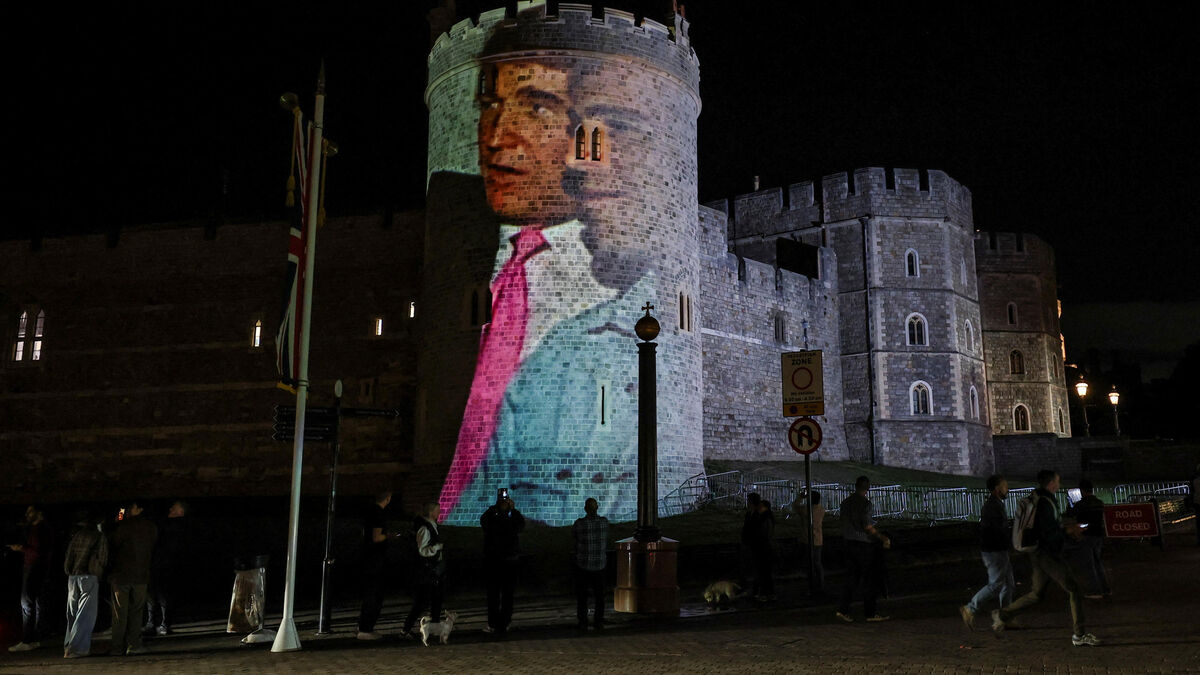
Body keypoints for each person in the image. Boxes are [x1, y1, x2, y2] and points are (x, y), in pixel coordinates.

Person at [993, 470, 1101, 647]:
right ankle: (1079, 634)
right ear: (1051, 483)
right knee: (1073, 588)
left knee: (1037, 594)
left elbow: (1047, 527)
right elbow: (1048, 531)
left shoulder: (1039, 498)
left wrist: (1067, 529)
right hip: (1047, 554)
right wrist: (1069, 531)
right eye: (1057, 481)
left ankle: (1003, 615)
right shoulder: (1046, 502)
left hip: (1038, 553)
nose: (1059, 485)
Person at [959, 475, 1014, 630]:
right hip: (995, 550)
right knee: (997, 584)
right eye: (1005, 485)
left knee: (1008, 584)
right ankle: (970, 608)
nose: (1007, 489)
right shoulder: (993, 506)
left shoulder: (994, 504)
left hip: (997, 549)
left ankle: (1005, 617)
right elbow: (995, 530)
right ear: (997, 488)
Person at [837, 476, 891, 623]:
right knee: (869, 580)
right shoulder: (865, 504)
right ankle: (870, 613)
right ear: (867, 488)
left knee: (851, 578)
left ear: (855, 486)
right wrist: (882, 537)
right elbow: (867, 526)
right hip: (862, 544)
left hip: (848, 542)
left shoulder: (845, 503)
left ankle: (843, 610)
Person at [108, 500, 158, 656]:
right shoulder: (151, 527)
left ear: (140, 509)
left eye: (133, 507)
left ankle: (117, 647)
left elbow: (112, 542)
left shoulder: (124, 525)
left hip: (121, 576)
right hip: (141, 575)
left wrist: (122, 512)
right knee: (137, 611)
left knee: (119, 613)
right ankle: (134, 644)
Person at [62, 511, 108, 658]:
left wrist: (69, 570)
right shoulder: (99, 536)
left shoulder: (77, 536)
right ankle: (77, 648)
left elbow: (69, 555)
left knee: (72, 613)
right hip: (89, 576)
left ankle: (68, 645)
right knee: (85, 614)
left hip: (73, 576)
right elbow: (102, 557)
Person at [8, 505, 53, 652]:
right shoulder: (41, 528)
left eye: (30, 511)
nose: (27, 514)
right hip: (37, 567)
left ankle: (27, 640)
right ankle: (35, 638)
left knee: (26, 603)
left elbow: (38, 550)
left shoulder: (39, 529)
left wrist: (21, 549)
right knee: (37, 603)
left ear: (38, 513)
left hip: (33, 567)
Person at [480, 492, 526, 635]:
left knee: (493, 595)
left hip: (493, 562)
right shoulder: (511, 520)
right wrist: (514, 509)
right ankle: (504, 623)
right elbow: (521, 525)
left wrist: (493, 508)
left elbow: (483, 521)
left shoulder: (492, 519)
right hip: (509, 562)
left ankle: (493, 623)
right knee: (508, 595)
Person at [358, 492, 400, 640]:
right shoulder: (379, 514)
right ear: (388, 498)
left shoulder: (369, 512)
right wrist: (389, 536)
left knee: (371, 593)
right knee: (375, 594)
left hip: (369, 558)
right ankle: (365, 629)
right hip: (376, 559)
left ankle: (365, 628)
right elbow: (377, 537)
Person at [402, 502, 446, 638]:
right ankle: (406, 629)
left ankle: (434, 628)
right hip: (427, 570)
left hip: (433, 569)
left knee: (435, 600)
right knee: (423, 601)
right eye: (437, 511)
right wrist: (437, 548)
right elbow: (422, 550)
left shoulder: (431, 526)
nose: (439, 513)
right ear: (431, 512)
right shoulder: (425, 528)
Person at [145, 499, 187, 637]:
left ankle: (161, 624)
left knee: (162, 597)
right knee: (154, 596)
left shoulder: (176, 527)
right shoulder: (166, 525)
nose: (170, 510)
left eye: (174, 509)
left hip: (167, 566)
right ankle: (155, 623)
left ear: (181, 512)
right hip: (159, 564)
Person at [1066, 479, 1110, 599]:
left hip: (1086, 535)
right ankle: (1105, 589)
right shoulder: (1099, 502)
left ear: (1082, 491)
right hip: (1098, 535)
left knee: (1089, 565)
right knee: (1097, 562)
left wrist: (1069, 503)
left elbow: (1070, 514)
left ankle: (1094, 591)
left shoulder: (1081, 504)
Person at [572, 498, 609, 630]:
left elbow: (574, 537)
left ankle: (583, 621)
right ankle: (598, 621)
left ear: (585, 509)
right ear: (597, 507)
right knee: (600, 596)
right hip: (600, 564)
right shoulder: (604, 523)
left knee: (582, 596)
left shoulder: (579, 524)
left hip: (583, 564)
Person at [793, 490, 826, 597]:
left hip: (807, 540)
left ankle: (811, 587)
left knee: (810, 565)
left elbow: (795, 506)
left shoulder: (807, 510)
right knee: (817, 564)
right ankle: (820, 586)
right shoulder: (821, 509)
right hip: (818, 540)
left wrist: (800, 497)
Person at [752, 500, 776, 601]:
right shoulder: (766, 517)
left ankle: (766, 593)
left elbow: (766, 533)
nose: (759, 507)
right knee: (765, 572)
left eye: (761, 506)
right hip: (765, 547)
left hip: (764, 547)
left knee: (764, 572)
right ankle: (767, 592)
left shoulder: (765, 518)